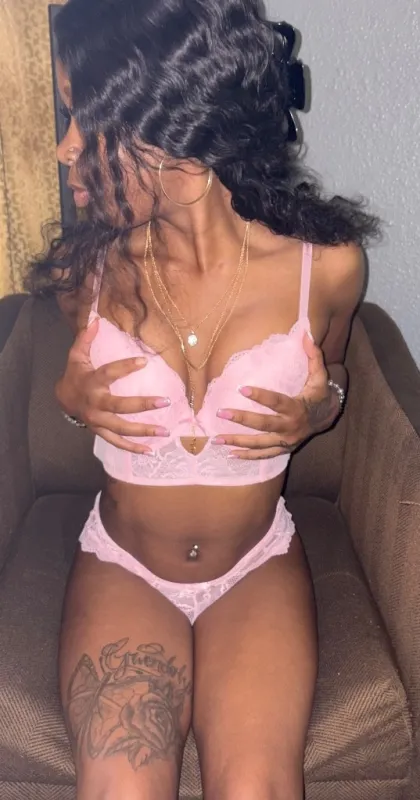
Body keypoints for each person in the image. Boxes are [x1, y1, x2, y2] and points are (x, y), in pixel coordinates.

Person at [28, 1, 379, 798]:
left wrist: (317, 409)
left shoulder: (325, 266)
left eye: (86, 120)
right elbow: (77, 397)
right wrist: (70, 401)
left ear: (173, 132)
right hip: (126, 567)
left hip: (255, 568)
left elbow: (333, 382)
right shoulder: (89, 272)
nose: (64, 148)